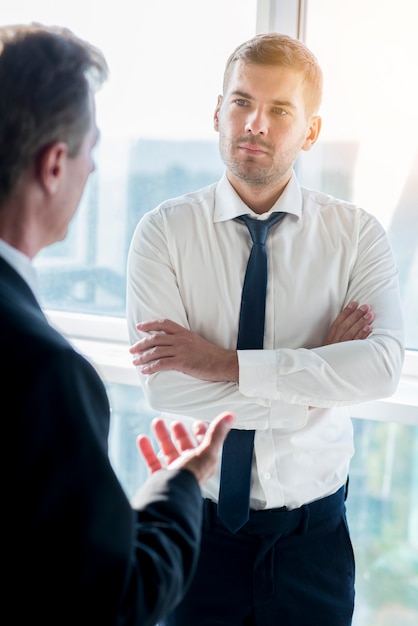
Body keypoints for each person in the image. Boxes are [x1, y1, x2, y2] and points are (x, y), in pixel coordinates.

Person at [126, 32, 405, 625]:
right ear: (217, 112)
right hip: (199, 534)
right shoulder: (163, 233)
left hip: (314, 542)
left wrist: (221, 364)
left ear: (310, 132)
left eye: (280, 110)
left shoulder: (356, 236)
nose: (255, 123)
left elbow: (381, 368)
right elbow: (166, 388)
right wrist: (313, 381)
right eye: (241, 102)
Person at [0, 23, 235, 626]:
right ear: (54, 163)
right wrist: (179, 484)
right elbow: (116, 602)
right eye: (90, 150)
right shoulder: (46, 374)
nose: (94, 170)